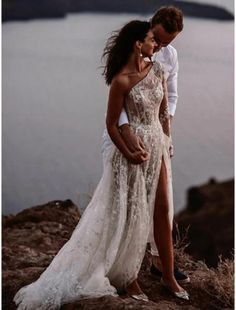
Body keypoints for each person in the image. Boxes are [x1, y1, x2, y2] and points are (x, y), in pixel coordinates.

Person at [14, 20, 189, 310]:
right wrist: (128, 150)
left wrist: (166, 140)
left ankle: (168, 276)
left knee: (160, 208)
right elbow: (111, 124)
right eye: (152, 39)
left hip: (155, 146)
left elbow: (163, 112)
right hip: (130, 153)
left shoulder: (158, 70)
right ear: (138, 43)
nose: (156, 45)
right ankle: (129, 277)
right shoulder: (121, 80)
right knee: (130, 212)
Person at [102, 6, 190, 284]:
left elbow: (170, 96)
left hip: (156, 135)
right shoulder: (133, 50)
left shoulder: (168, 56)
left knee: (163, 202)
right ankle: (124, 268)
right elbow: (118, 104)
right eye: (159, 39)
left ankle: (160, 263)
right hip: (125, 134)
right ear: (151, 27)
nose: (163, 46)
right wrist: (128, 134)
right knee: (127, 203)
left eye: (169, 42)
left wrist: (166, 132)